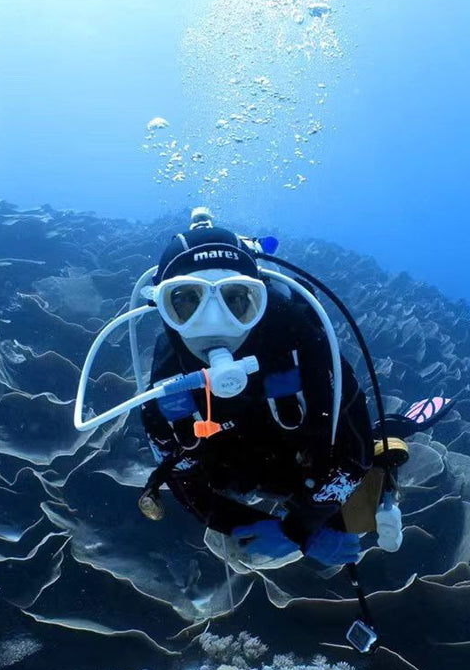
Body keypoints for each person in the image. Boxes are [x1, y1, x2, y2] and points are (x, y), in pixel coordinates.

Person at [138, 212, 377, 565]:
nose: (214, 324)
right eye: (187, 301)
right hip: (238, 473)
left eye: (236, 299)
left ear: (261, 299)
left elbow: (356, 451)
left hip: (308, 468)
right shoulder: (166, 386)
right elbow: (185, 486)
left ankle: (396, 440)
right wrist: (255, 524)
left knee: (374, 492)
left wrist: (301, 526)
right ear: (161, 305)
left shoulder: (302, 340)